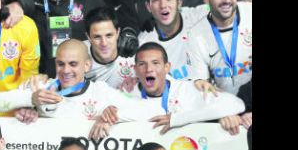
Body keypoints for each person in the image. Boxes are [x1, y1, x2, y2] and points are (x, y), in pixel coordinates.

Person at [0, 39, 159, 135]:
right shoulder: (40, 87)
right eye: (60, 64)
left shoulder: (101, 91)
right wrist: (29, 99)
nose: (66, 70)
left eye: (73, 64)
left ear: (87, 65)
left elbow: (153, 111)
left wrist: (113, 116)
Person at [96, 42, 245, 135]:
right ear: (135, 69)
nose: (149, 69)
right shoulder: (126, 93)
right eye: (142, 64)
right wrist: (105, 118)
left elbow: (235, 104)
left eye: (155, 63)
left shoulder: (186, 89)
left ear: (167, 67)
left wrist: (177, 119)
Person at [186, 0, 252, 95]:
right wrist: (203, 86)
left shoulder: (250, 13)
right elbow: (201, 84)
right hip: (227, 107)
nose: (227, 0)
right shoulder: (196, 36)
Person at [137, 0, 209, 81]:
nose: (163, 5)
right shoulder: (143, 43)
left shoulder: (199, 16)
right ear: (148, 7)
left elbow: (234, 7)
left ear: (179, 3)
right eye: (156, 0)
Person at [82, 7, 136, 90]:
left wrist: (138, 84)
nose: (104, 43)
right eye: (97, 37)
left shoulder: (135, 57)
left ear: (118, 33)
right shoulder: (78, 55)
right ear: (88, 37)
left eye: (109, 35)